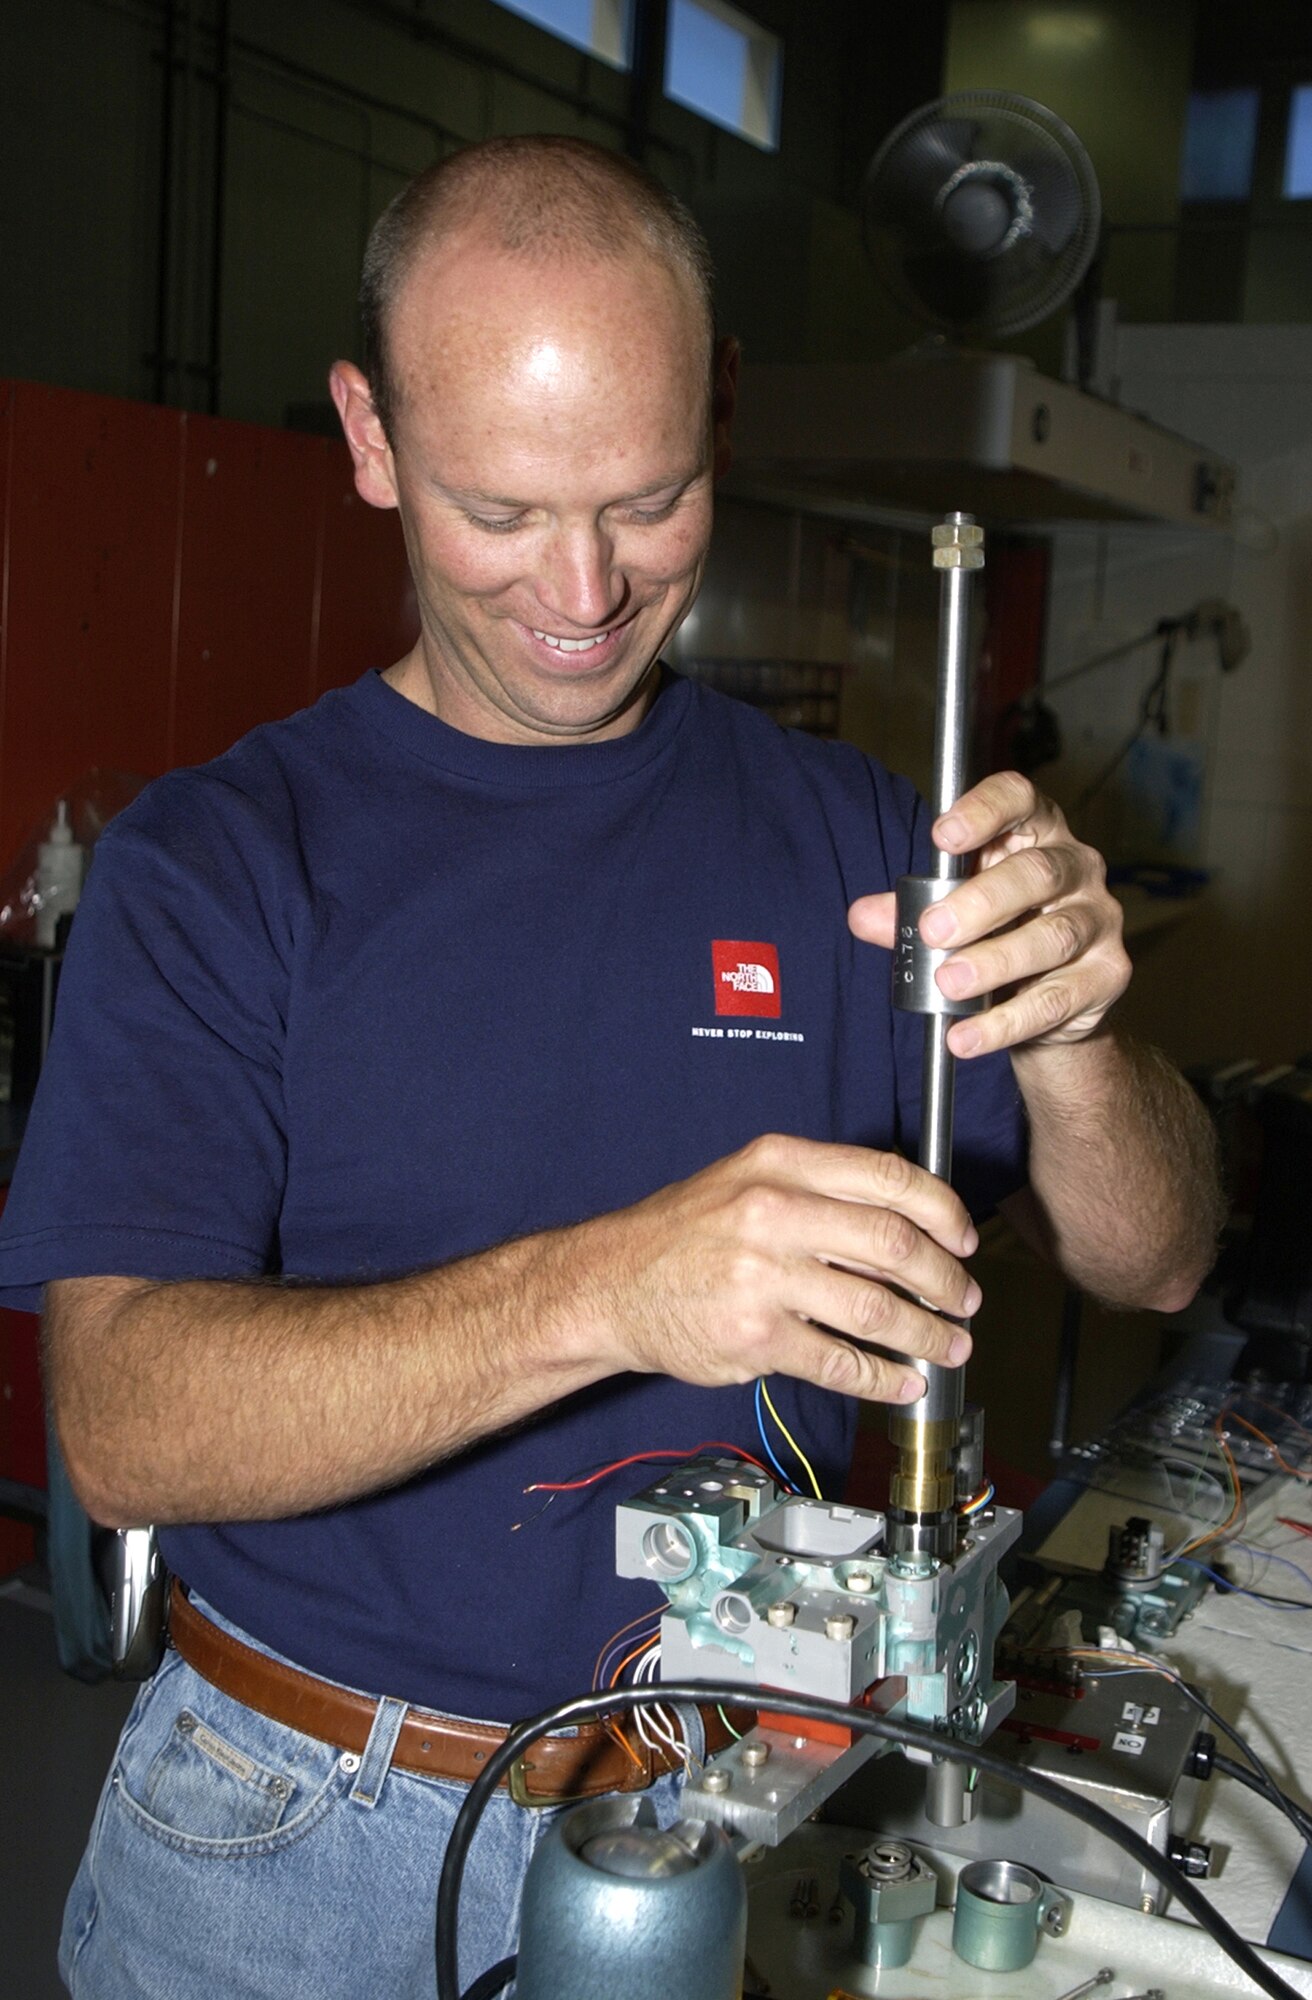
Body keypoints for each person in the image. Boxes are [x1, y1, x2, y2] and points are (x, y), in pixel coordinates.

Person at [0, 136, 1220, 1998]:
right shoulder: (224, 862)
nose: (582, 588)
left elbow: (1161, 1255)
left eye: (649, 499)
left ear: (718, 413)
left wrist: (1070, 1033)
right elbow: (125, 1423)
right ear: (370, 437)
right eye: (500, 511)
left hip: (734, 1820)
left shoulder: (848, 837)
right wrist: (618, 1286)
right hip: (295, 1835)